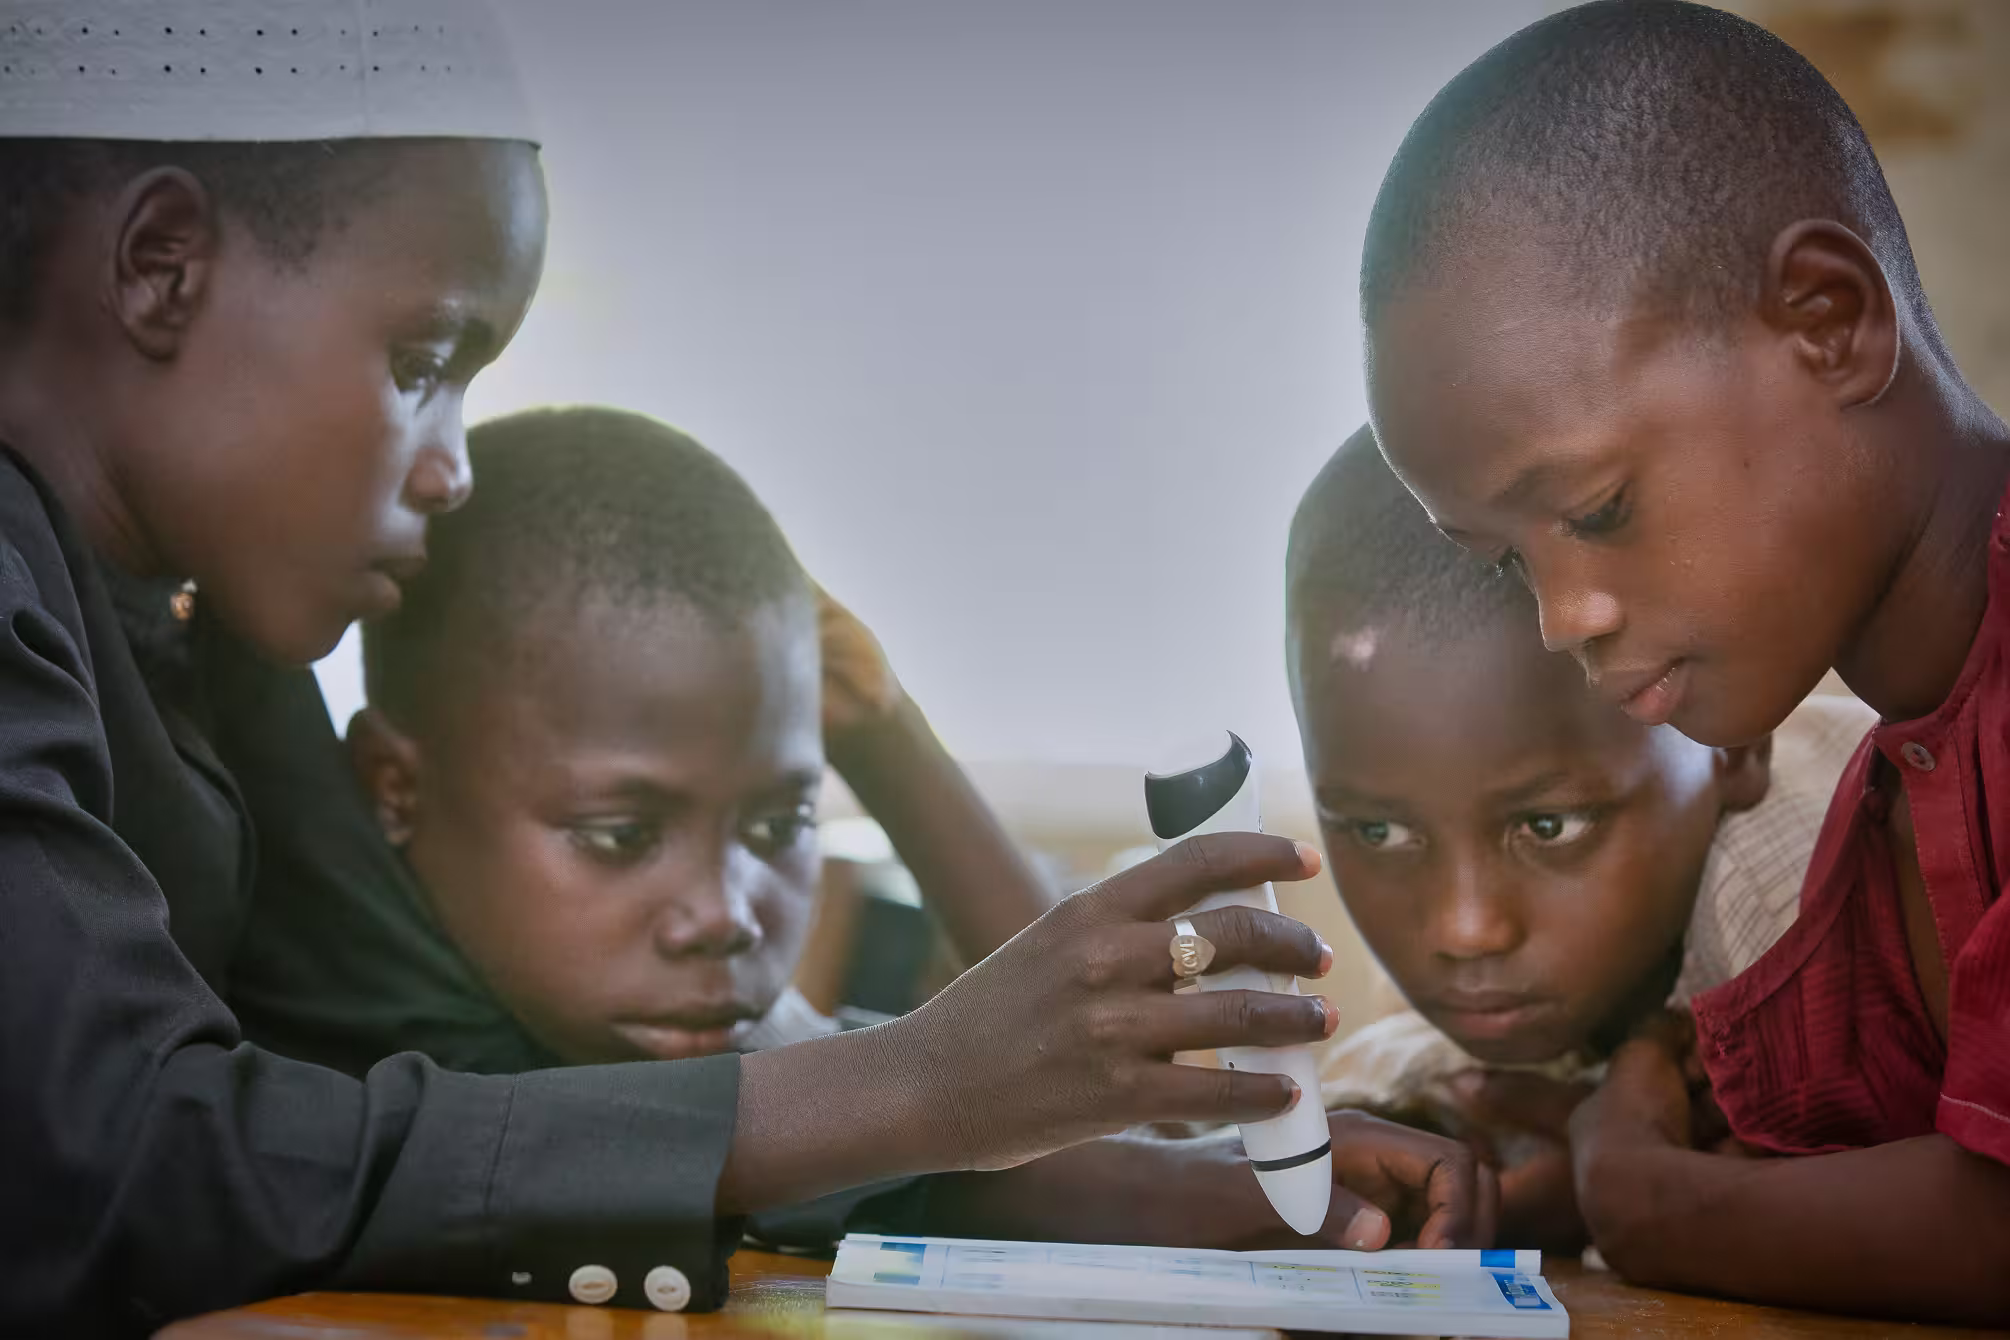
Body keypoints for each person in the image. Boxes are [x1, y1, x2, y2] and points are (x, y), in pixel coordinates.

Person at [0, 6, 1478, 1332]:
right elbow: (119, 1166)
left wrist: (1178, 1190)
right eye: (422, 360)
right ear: (160, 268)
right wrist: (911, 1084)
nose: (448, 464)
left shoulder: (198, 636)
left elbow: (472, 1083)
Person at [223, 404, 1498, 1256]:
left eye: (780, 819)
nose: (724, 910)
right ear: (395, 791)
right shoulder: (303, 1042)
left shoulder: (715, 1022)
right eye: (619, 834)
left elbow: (919, 1145)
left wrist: (1239, 1196)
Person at [1359, 0, 2010, 1321]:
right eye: (1504, 559)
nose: (1561, 617)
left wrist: (1647, 1203)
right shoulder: (1888, 787)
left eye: (1596, 509)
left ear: (1828, 321)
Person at [1287, 425, 1875, 1250]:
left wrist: (1640, 1196)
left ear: (1737, 740)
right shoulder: (1504, 1006)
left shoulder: (1840, 900)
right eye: (1380, 831)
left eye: (1548, 826)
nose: (1465, 929)